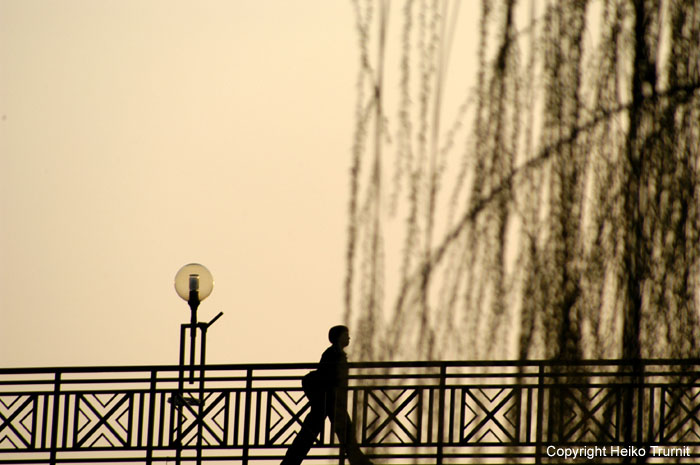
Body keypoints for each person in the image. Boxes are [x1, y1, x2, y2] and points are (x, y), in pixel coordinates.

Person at [280, 325, 374, 465]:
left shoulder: (334, 353)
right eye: (345, 335)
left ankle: (290, 462)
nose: (348, 337)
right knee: (337, 432)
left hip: (327, 400)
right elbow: (330, 377)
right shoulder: (333, 354)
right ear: (338, 337)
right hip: (329, 400)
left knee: (311, 434)